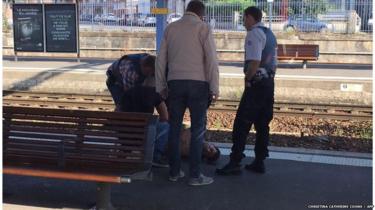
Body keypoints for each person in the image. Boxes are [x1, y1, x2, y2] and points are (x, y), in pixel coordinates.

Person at [155, 0, 220, 186]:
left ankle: (174, 172)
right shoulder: (203, 28)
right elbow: (212, 61)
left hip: (175, 83)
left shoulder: (170, 29)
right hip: (199, 85)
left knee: (174, 129)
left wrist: (160, 86)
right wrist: (214, 87)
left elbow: (160, 61)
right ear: (201, 14)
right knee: (198, 130)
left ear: (187, 11)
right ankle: (195, 176)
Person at [216, 6, 277, 175]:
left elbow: (255, 61)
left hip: (256, 85)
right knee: (262, 124)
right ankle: (259, 161)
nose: (243, 22)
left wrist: (248, 79)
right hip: (269, 84)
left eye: (244, 18)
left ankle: (235, 161)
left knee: (241, 123)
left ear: (250, 18)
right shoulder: (269, 33)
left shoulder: (254, 34)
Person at [119, 84, 170, 168]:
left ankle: (125, 152)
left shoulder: (126, 93)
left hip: (126, 136)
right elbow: (165, 117)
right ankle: (156, 157)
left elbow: (117, 112)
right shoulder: (153, 93)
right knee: (165, 126)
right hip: (144, 135)